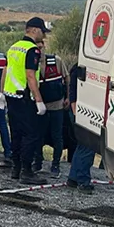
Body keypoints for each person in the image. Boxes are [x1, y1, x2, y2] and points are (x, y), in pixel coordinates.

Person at [0, 17, 49, 184]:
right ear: (34, 30)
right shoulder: (32, 49)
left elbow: (6, 71)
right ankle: (27, 171)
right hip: (24, 97)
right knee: (31, 134)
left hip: (11, 96)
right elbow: (30, 75)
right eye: (43, 32)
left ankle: (16, 168)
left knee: (16, 133)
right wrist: (39, 100)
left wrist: (2, 93)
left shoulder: (14, 47)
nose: (44, 36)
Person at [32, 40, 70, 177]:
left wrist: (68, 97)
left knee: (57, 136)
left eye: (41, 47)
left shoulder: (56, 61)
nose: (39, 50)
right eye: (36, 48)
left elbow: (66, 79)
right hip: (38, 106)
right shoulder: (31, 63)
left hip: (57, 105)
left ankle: (55, 165)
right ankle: (37, 161)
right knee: (38, 135)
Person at [67, 62, 95, 194]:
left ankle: (73, 178)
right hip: (81, 112)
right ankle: (83, 181)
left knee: (82, 146)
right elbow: (73, 91)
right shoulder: (80, 70)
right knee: (88, 147)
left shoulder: (78, 68)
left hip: (80, 111)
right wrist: (75, 112)